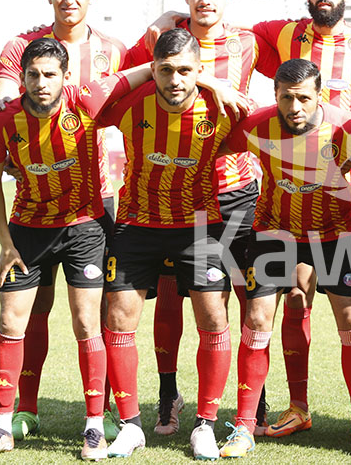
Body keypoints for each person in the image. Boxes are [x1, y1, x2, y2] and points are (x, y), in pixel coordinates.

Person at [0, 38, 149, 460]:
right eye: (32, 74)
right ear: (23, 77)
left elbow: (140, 72)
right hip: (27, 230)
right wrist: (5, 243)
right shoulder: (3, 121)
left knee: (87, 323)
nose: (40, 82)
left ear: (66, 77)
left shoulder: (86, 99)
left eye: (50, 74)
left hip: (84, 228)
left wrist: (209, 84)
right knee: (11, 321)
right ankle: (1, 427)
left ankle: (93, 427)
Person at [250, 0, 351, 439]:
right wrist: (166, 23)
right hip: (297, 180)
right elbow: (227, 37)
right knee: (296, 295)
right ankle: (298, 406)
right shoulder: (280, 33)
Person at [0, 0, 128, 443]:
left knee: (101, 313)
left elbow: (134, 102)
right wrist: (8, 122)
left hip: (98, 199)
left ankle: (105, 411)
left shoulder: (115, 49)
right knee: (34, 308)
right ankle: (24, 410)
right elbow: (4, 96)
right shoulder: (22, 45)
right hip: (34, 204)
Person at [126, 0, 270, 438]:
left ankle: (256, 399)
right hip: (179, 197)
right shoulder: (160, 40)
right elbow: (132, 80)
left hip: (237, 190)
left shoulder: (249, 41)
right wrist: (210, 79)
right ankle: (169, 393)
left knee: (251, 297)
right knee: (171, 298)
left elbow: (300, 63)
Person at [218, 59, 351, 459]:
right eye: (286, 98)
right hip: (275, 230)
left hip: (334, 233)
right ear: (275, 95)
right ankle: (243, 427)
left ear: (319, 96)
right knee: (258, 318)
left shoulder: (347, 125)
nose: (294, 107)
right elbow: (220, 145)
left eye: (303, 99)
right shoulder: (258, 123)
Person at [101, 29, 236, 460]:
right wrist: (140, 71)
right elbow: (87, 101)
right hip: (137, 222)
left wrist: (217, 84)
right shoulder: (130, 105)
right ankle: (130, 425)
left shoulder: (221, 107)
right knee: (119, 317)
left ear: (200, 71)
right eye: (165, 70)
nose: (175, 79)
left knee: (213, 316)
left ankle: (206, 425)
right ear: (152, 70)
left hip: (199, 223)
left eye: (185, 70)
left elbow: (280, 127)